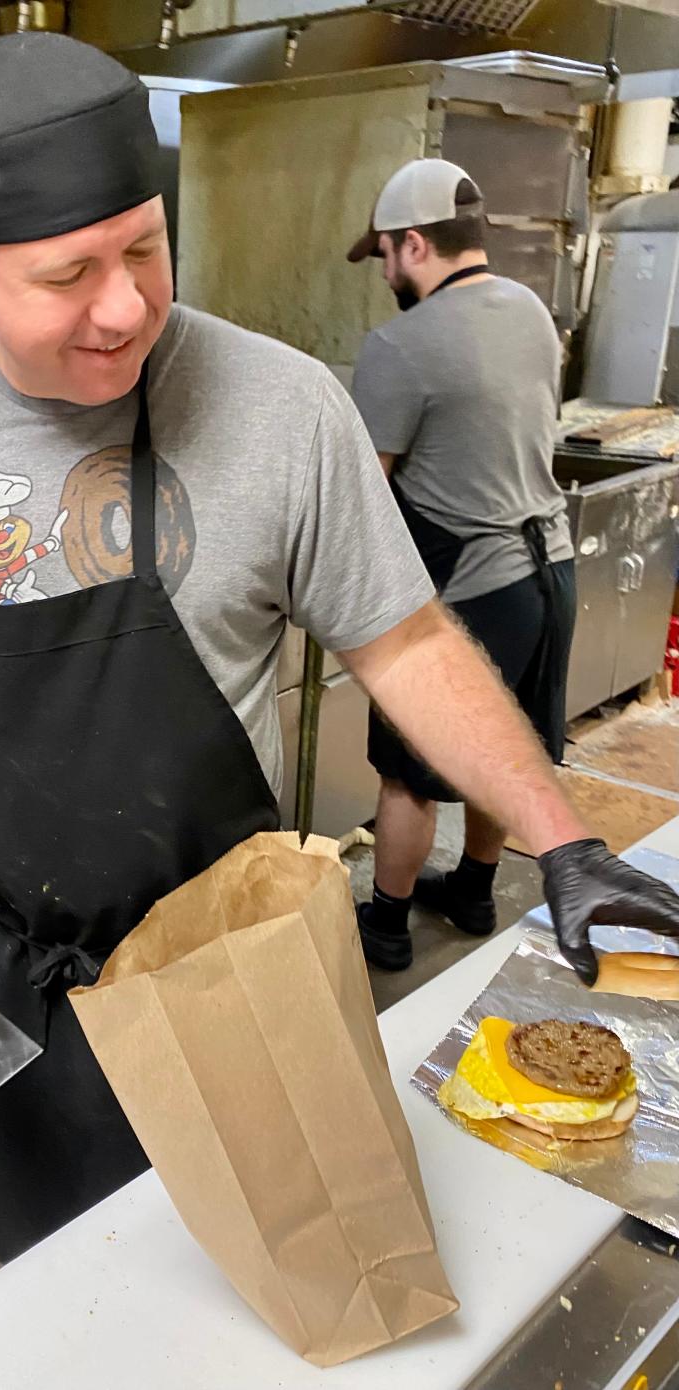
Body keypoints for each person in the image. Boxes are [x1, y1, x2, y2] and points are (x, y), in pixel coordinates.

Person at [0, 37, 679, 1263]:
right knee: (51, 1276)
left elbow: (405, 643)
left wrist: (560, 834)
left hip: (231, 962)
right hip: (3, 977)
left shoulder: (283, 408)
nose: (128, 304)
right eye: (69, 273)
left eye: (144, 246)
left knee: (266, 1262)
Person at [348, 158, 578, 972]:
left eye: (383, 254)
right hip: (549, 572)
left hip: (468, 589)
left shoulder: (400, 346)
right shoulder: (532, 312)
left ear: (414, 243)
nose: (384, 273)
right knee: (503, 741)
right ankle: (475, 890)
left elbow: (363, 495)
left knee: (409, 773)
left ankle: (384, 924)